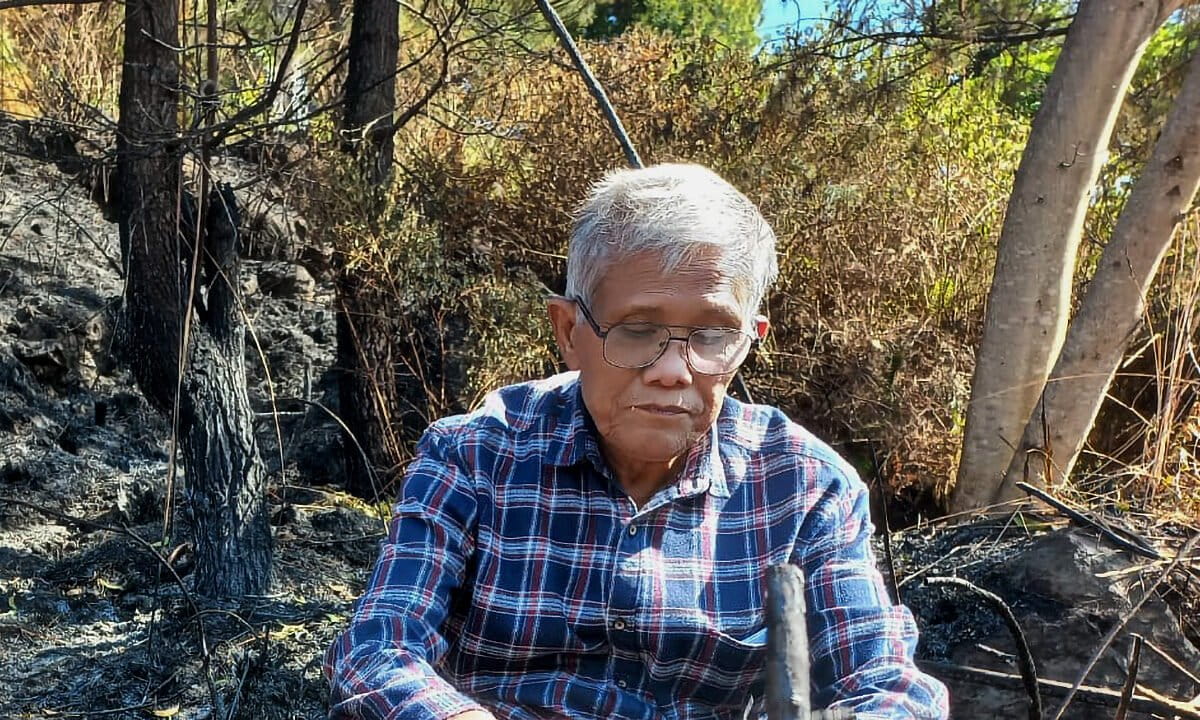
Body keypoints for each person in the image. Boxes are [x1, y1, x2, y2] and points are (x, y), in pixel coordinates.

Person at [324, 164, 949, 720]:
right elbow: (380, 648)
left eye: (711, 335)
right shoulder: (474, 456)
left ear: (751, 337)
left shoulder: (808, 486)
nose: (674, 369)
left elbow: (892, 687)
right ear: (569, 330)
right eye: (637, 329)